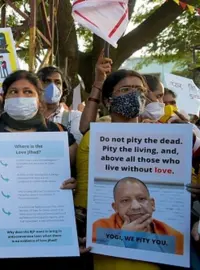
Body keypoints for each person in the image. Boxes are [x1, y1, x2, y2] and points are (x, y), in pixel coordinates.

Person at [0, 70, 78, 269]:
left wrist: (73, 183)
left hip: (46, 234)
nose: (20, 97)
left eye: (28, 92)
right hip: (3, 235)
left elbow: (73, 175)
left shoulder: (57, 132)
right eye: (13, 92)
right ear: (4, 98)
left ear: (39, 99)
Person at [75, 69, 178, 270]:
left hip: (155, 253)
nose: (134, 94)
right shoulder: (93, 138)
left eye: (139, 89)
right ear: (108, 101)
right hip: (107, 249)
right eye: (125, 89)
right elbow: (86, 196)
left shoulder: (163, 138)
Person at [92, 177, 184, 255]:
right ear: (115, 207)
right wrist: (124, 238)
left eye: (141, 199)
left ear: (152, 204)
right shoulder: (101, 227)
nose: (136, 206)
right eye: (125, 200)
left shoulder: (174, 235)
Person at [37, 66, 83, 143]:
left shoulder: (75, 117)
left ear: (63, 88)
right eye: (47, 81)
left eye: (57, 82)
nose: (52, 86)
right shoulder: (27, 116)